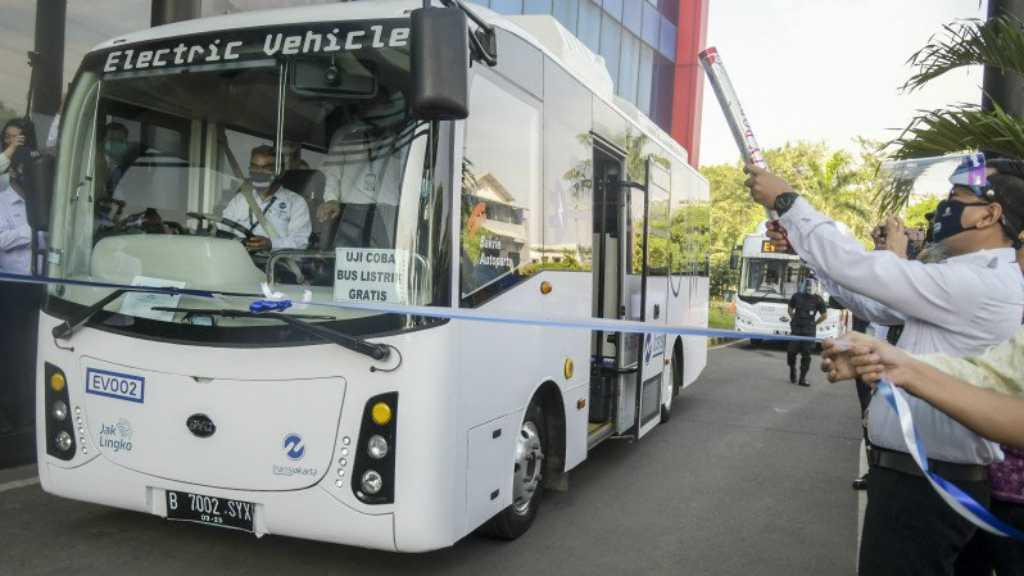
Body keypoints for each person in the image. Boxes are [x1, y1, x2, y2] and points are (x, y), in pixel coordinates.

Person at [745, 154, 1024, 575]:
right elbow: (872, 300)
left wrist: (788, 201)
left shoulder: (980, 283)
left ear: (989, 214)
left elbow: (865, 272)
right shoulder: (963, 276)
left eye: (956, 196)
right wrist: (804, 243)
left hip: (928, 484)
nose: (940, 209)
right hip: (922, 480)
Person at [316, 90, 408, 249]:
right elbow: (332, 172)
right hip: (351, 210)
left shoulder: (403, 140)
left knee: (386, 258)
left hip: (389, 210)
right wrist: (331, 199)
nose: (378, 113)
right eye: (373, 108)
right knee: (348, 257)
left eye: (384, 108)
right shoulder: (347, 137)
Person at [220, 145, 311, 254]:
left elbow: (300, 242)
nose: (259, 173)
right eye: (254, 167)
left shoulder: (296, 202)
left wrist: (271, 244)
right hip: (239, 260)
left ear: (280, 172)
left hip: (273, 264)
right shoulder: (241, 199)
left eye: (266, 168)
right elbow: (222, 228)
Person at [786, 277, 826, 386]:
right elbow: (790, 308)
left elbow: (824, 315)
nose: (809, 287)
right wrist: (793, 317)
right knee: (791, 352)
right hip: (796, 329)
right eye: (807, 285)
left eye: (811, 286)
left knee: (806, 355)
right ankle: (792, 369)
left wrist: (815, 323)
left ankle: (802, 378)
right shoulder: (797, 296)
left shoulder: (818, 299)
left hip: (809, 331)